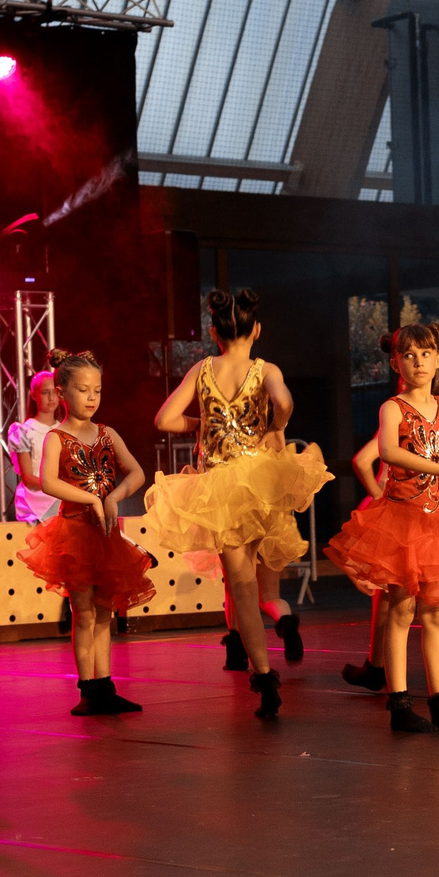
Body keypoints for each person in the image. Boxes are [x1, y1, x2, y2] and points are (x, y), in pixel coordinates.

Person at [146, 287, 333, 689]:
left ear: (214, 333)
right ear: (257, 330)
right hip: (258, 482)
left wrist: (198, 425)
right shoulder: (266, 370)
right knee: (249, 580)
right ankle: (263, 661)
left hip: (218, 487)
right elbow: (285, 402)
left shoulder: (202, 371)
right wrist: (276, 426)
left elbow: (164, 420)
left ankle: (263, 674)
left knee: (240, 585)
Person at [326, 322, 439, 733]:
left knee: (436, 615)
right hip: (402, 523)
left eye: (425, 354)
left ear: (438, 359)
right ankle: (400, 704)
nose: (418, 361)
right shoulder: (393, 407)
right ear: (396, 363)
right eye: (408, 355)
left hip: (438, 527)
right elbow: (388, 451)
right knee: (401, 610)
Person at [25, 350, 157, 716]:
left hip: (105, 535)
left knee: (104, 612)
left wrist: (113, 497)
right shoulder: (56, 437)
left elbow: (136, 473)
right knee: (83, 612)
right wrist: (90, 499)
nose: (92, 398)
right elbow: (48, 483)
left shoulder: (107, 434)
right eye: (83, 390)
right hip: (76, 535)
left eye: (97, 391)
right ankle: (88, 688)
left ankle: (105, 686)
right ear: (63, 393)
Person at [4, 367, 63, 524]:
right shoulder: (24, 431)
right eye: (45, 392)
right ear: (33, 395)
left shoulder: (65, 430)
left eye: (55, 392)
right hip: (37, 497)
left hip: (62, 492)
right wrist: (61, 487)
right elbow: (28, 478)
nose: (51, 397)